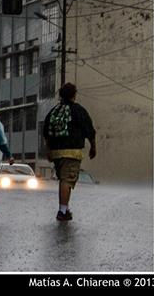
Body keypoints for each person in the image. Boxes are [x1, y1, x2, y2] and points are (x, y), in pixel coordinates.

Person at [43, 82, 96, 222]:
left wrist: (48, 150)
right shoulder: (78, 110)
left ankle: (65, 209)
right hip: (72, 152)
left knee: (63, 180)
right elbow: (89, 129)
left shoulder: (54, 111)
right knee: (67, 180)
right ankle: (62, 211)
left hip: (56, 153)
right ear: (74, 95)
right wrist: (93, 146)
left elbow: (46, 132)